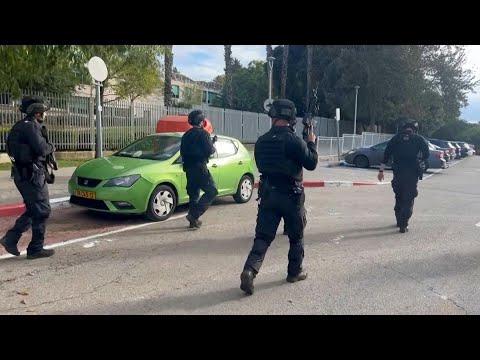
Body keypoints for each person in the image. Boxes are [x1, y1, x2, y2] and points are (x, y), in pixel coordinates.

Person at [240, 99, 318, 295]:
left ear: (273, 116)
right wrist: (311, 142)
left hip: (268, 194)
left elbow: (262, 165)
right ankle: (294, 271)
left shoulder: (261, 141)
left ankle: (250, 270)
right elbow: (311, 163)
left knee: (263, 237)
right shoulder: (293, 140)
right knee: (296, 237)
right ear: (291, 117)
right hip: (291, 196)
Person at [0, 96, 56, 259]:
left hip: (23, 174)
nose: (45, 115)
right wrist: (51, 146)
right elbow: (41, 148)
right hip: (32, 175)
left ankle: (11, 239)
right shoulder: (31, 127)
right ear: (38, 113)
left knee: (35, 209)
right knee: (42, 210)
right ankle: (34, 248)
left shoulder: (19, 126)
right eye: (43, 112)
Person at [377, 120, 430, 233]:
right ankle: (403, 225)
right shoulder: (419, 139)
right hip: (411, 175)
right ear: (415, 129)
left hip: (398, 173)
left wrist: (381, 171)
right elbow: (426, 154)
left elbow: (386, 154)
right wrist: (419, 159)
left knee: (399, 197)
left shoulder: (396, 138)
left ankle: (398, 221)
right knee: (408, 199)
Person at [180, 110, 218, 229]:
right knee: (212, 191)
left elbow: (183, 151)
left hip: (188, 168)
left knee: (193, 194)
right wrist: (212, 144)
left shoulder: (186, 135)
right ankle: (194, 215)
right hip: (200, 167)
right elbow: (210, 151)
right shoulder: (203, 134)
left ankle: (193, 222)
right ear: (201, 121)